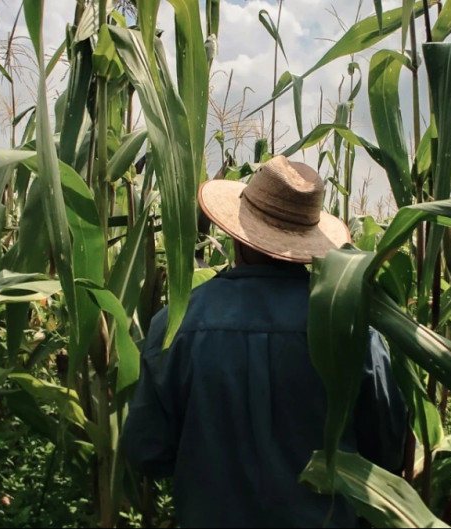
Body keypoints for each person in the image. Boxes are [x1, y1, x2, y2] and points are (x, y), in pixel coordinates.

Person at [122, 156, 408, 527]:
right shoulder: (351, 330)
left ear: (237, 231)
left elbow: (147, 452)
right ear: (310, 238)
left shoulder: (176, 326)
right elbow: (387, 453)